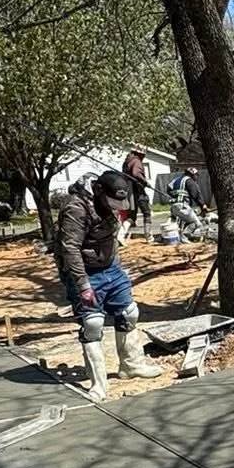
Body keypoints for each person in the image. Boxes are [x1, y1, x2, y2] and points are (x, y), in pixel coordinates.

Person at [54, 169, 163, 401]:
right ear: (99, 191)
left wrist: (117, 265)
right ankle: (98, 385)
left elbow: (113, 235)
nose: (117, 206)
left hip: (111, 267)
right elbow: (70, 249)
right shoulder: (76, 207)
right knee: (93, 323)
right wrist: (83, 285)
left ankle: (130, 365)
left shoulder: (113, 201)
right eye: (112, 201)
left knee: (129, 313)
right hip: (85, 272)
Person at [120, 148, 154, 241]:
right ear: (140, 154)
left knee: (132, 216)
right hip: (138, 191)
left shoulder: (127, 162)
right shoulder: (136, 161)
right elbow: (136, 173)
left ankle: (121, 235)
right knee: (147, 213)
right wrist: (145, 182)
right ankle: (149, 237)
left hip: (129, 192)